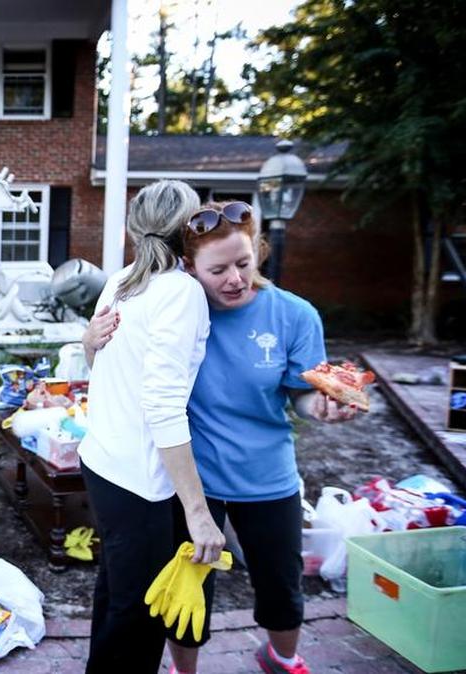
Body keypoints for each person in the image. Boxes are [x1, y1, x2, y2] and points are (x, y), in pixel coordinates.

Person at [84, 200, 357, 674]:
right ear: (189, 266)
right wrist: (90, 342)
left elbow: (301, 394)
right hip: (196, 480)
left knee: (282, 586)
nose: (234, 279)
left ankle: (282, 656)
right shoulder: (178, 303)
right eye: (219, 269)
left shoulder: (295, 315)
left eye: (244, 264)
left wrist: (323, 408)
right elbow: (136, 380)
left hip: (267, 474)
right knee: (189, 594)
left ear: (259, 254)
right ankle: (183, 671)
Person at [77, 180, 226, 673]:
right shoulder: (178, 292)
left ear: (131, 229)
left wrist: (87, 347)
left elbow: (103, 370)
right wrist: (198, 512)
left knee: (117, 596)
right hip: (138, 479)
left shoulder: (120, 281)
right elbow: (163, 406)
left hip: (102, 462)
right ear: (188, 230)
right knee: (138, 616)